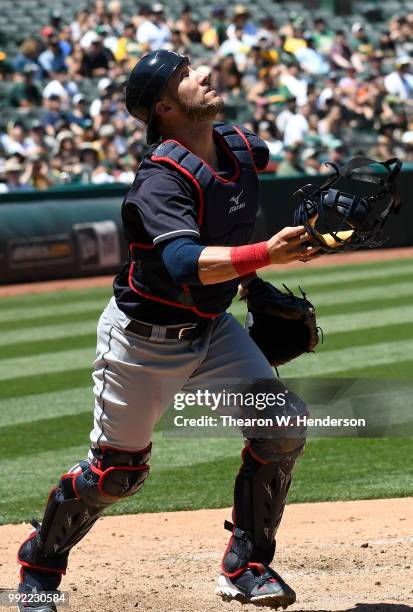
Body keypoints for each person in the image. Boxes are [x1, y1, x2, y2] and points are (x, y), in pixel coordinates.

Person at [16, 50, 321, 611]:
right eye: (185, 75)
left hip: (210, 330)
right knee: (116, 475)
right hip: (141, 342)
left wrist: (257, 285)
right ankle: (39, 566)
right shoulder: (160, 179)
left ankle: (247, 565)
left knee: (282, 425)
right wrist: (265, 257)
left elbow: (228, 218)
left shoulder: (238, 148)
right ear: (163, 106)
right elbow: (184, 262)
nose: (203, 74)